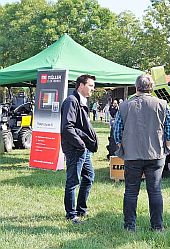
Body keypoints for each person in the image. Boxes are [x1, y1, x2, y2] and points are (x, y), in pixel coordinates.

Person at [113, 74, 170, 232]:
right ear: (151, 88)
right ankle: (157, 227)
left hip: (132, 156)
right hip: (155, 155)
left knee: (131, 191)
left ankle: (129, 227)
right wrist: (166, 148)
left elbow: (117, 132)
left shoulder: (124, 106)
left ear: (136, 87)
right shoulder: (162, 104)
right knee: (155, 191)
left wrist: (122, 149)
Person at [60, 74, 98, 224]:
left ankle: (81, 209)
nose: (93, 89)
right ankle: (71, 215)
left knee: (89, 177)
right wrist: (81, 144)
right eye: (90, 86)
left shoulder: (82, 101)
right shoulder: (71, 101)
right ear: (80, 85)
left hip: (83, 149)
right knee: (73, 181)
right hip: (75, 148)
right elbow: (67, 128)